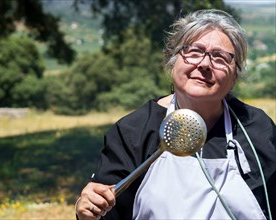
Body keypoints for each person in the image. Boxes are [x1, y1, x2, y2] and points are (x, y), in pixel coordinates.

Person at [75, 9, 276, 220]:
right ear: (173, 62)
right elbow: (103, 210)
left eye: (220, 57)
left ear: (235, 75)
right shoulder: (134, 132)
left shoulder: (257, 127)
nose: (205, 64)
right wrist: (87, 209)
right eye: (194, 51)